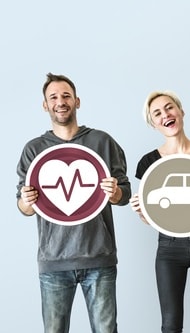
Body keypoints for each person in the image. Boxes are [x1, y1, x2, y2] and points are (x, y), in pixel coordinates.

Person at [16, 73, 131, 333]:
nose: (60, 101)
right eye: (53, 97)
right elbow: (23, 206)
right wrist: (25, 201)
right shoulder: (34, 149)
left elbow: (124, 191)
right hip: (54, 260)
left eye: (66, 95)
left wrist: (116, 194)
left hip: (99, 259)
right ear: (45, 105)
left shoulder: (102, 142)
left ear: (77, 101)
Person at [129, 91, 190, 333]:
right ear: (153, 123)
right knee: (170, 325)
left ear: (181, 112)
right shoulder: (148, 162)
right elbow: (152, 218)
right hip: (168, 248)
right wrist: (141, 212)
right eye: (157, 113)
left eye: (169, 108)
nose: (166, 115)